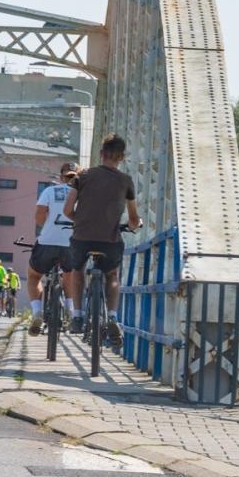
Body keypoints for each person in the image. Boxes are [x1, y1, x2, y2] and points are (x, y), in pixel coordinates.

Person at [64, 133, 141, 345]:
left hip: (82, 237)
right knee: (112, 275)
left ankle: (78, 315)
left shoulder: (83, 176)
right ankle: (113, 317)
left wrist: (79, 220)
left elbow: (67, 209)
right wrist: (134, 225)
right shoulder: (126, 181)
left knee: (77, 270)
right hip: (110, 240)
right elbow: (133, 218)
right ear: (122, 158)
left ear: (101, 154)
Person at [28, 162, 78, 336]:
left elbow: (39, 216)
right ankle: (71, 310)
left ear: (61, 177)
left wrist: (49, 227)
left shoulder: (49, 191)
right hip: (71, 243)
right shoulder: (83, 193)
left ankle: (37, 312)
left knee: (34, 276)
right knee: (70, 274)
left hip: (47, 242)